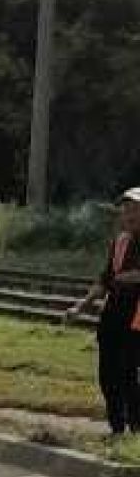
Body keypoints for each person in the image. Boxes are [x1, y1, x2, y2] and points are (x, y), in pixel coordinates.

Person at [92, 185, 140, 435]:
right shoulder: (119, 242)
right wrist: (80, 306)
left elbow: (127, 277)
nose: (129, 214)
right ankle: (116, 427)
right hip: (113, 312)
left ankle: (136, 426)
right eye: (126, 209)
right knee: (106, 373)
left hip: (136, 316)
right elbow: (105, 279)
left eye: (135, 209)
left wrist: (135, 276)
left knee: (128, 372)